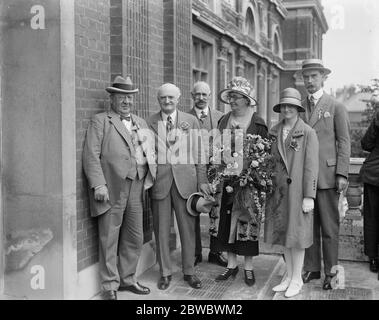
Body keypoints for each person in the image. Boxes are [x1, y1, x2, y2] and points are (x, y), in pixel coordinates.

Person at [82, 75, 156, 300]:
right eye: (121, 97)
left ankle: (128, 279)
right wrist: (98, 184)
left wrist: (149, 175)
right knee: (109, 236)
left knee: (134, 235)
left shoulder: (141, 123)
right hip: (112, 186)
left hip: (137, 184)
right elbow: (91, 155)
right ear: (112, 98)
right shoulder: (101, 121)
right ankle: (109, 286)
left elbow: (149, 152)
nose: (126, 101)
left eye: (130, 97)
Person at [147, 83, 210, 290]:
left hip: (186, 183)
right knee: (161, 229)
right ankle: (165, 272)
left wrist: (202, 182)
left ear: (178, 99)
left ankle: (189, 271)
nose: (167, 101)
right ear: (159, 100)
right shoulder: (150, 122)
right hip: (160, 183)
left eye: (171, 98)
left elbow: (200, 154)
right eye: (163, 98)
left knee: (188, 229)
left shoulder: (190, 121)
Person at [212, 76, 268, 286]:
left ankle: (249, 268)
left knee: (246, 221)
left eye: (237, 97)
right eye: (231, 97)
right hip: (227, 180)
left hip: (249, 182)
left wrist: (254, 176)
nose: (233, 101)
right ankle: (231, 266)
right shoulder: (223, 121)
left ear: (246, 100)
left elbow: (265, 153)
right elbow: (215, 150)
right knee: (227, 222)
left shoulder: (258, 122)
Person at [300, 59, 351, 290]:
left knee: (330, 228)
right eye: (306, 77)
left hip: (329, 177)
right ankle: (312, 268)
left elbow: (344, 142)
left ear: (323, 77)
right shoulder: (299, 106)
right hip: (305, 177)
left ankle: (331, 272)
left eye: (314, 76)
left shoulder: (335, 106)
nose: (309, 81)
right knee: (309, 226)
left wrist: (342, 173)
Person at [264, 88, 319, 298]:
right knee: (282, 235)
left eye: (291, 106)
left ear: (297, 108)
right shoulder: (274, 130)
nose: (287, 109)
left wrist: (309, 196)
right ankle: (288, 275)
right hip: (277, 193)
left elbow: (311, 167)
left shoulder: (307, 132)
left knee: (297, 237)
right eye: (284, 105)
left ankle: (297, 279)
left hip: (297, 193)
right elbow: (269, 162)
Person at [188, 81, 227, 267]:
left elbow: (226, 145)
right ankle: (195, 252)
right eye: (197, 94)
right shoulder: (184, 118)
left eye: (205, 94)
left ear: (210, 95)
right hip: (190, 172)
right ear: (191, 95)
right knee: (191, 209)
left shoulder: (221, 117)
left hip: (214, 171)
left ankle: (215, 251)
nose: (201, 98)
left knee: (216, 211)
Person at [360, 109, 379, 277]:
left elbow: (366, 144)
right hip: (374, 175)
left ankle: (373, 258)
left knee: (372, 216)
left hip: (374, 173)